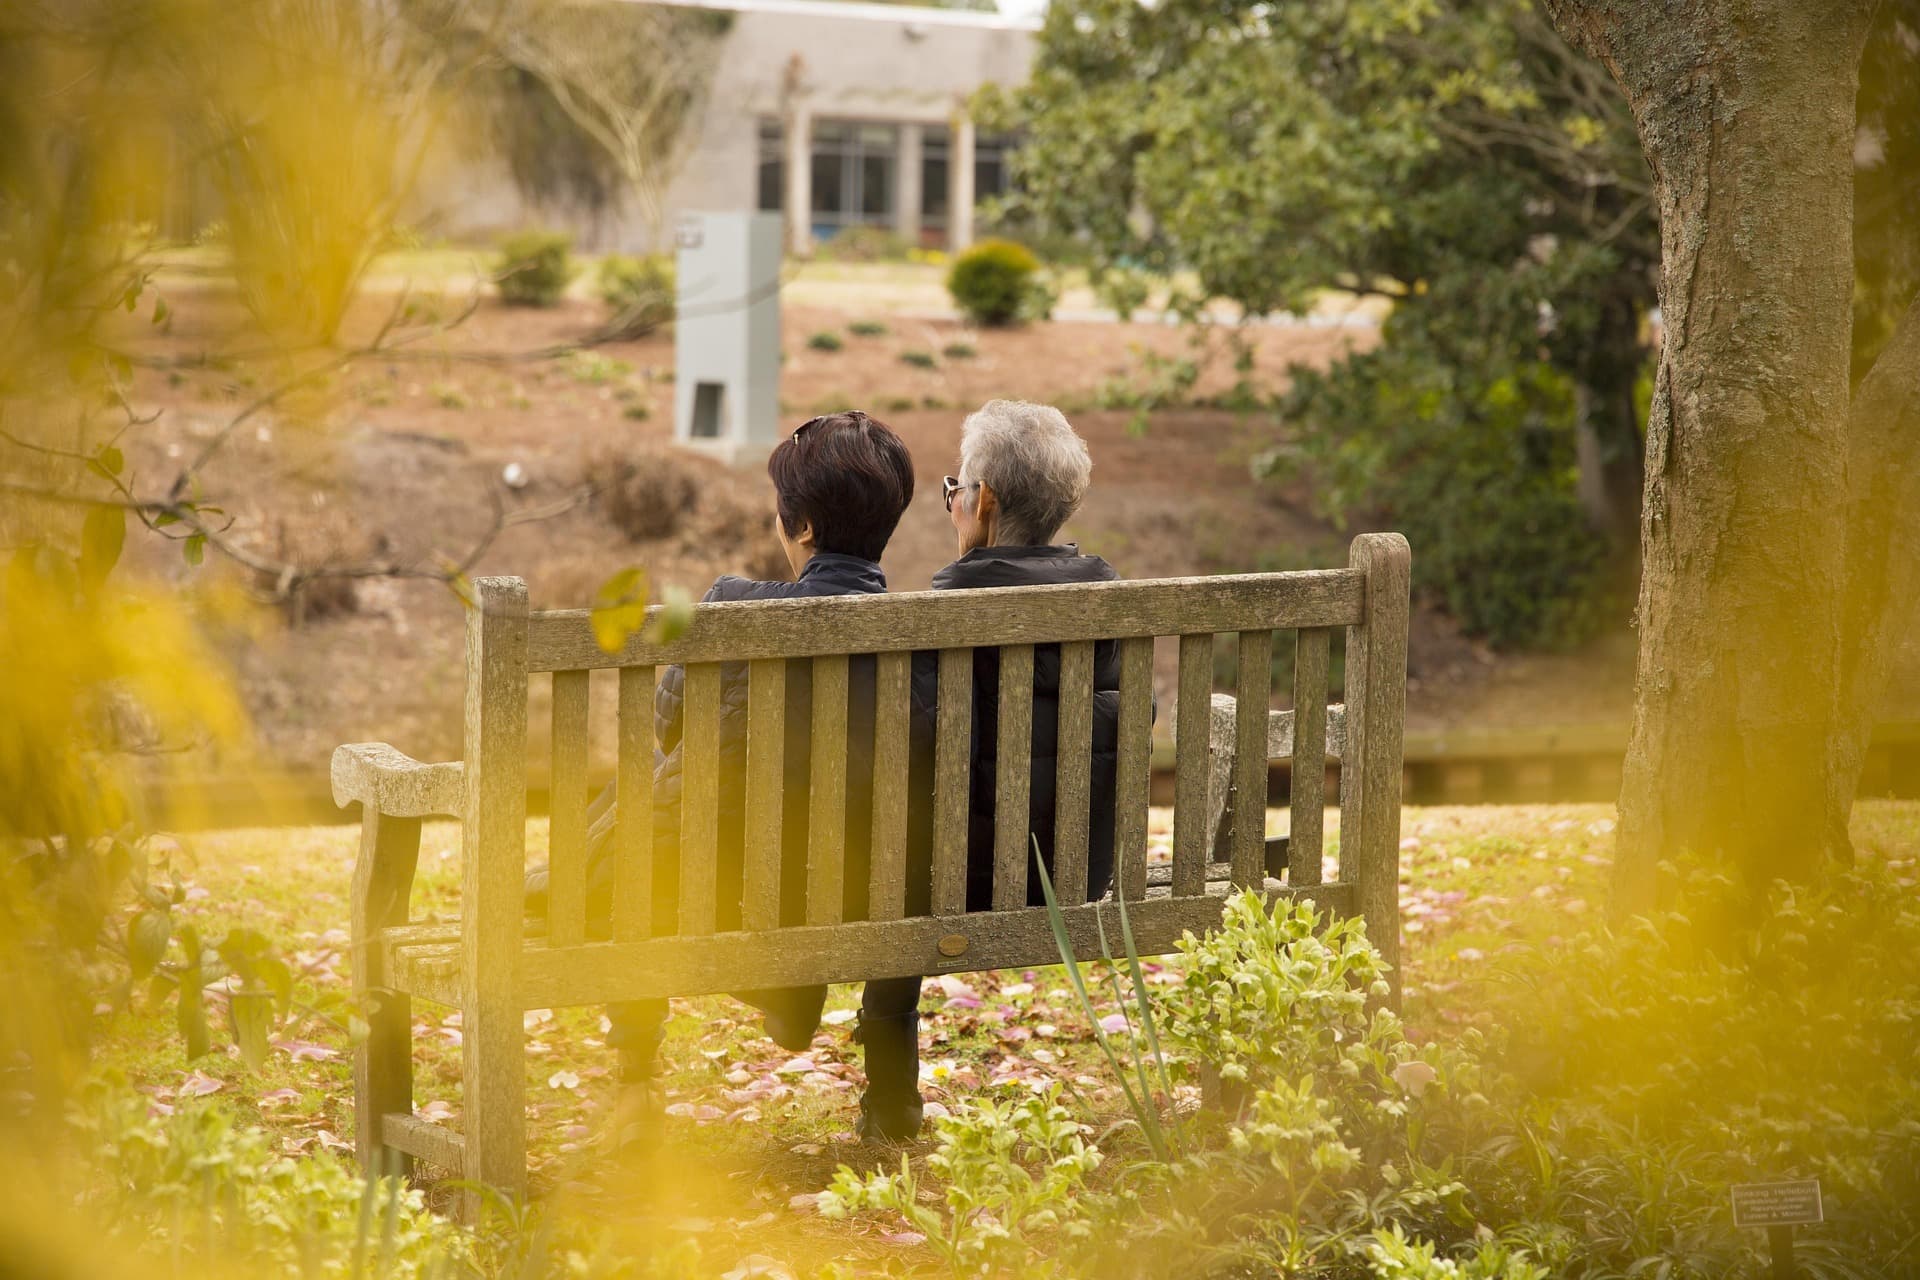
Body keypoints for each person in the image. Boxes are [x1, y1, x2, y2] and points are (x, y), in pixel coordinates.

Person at [525, 410, 915, 1143]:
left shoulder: (735, 606)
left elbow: (672, 725)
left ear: (799, 528)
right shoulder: (924, 636)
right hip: (866, 889)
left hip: (724, 885)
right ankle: (824, 1027)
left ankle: (639, 1085)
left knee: (646, 796)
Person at [859, 399, 1128, 1142]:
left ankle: (891, 1107)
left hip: (954, 883)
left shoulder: (936, 618)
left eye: (956, 488)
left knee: (899, 865)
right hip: (1075, 873)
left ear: (984, 502)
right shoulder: (1110, 604)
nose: (952, 503)